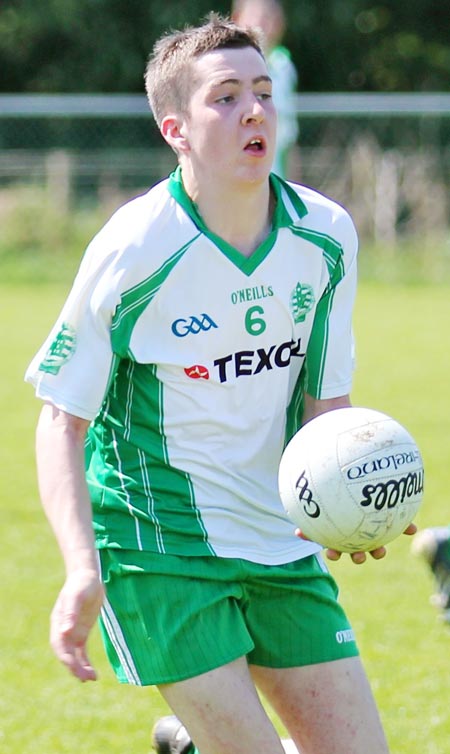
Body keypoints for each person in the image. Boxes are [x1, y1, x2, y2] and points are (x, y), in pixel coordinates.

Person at [26, 14, 415, 754]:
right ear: (175, 128)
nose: (255, 111)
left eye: (263, 93)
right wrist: (81, 570)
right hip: (159, 546)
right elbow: (62, 419)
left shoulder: (325, 237)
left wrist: (346, 498)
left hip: (279, 542)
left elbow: (325, 401)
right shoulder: (135, 249)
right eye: (226, 97)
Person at [232, 0, 299, 178]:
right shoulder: (226, 68)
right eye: (258, 18)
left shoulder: (283, 66)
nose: (264, 26)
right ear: (237, 19)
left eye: (271, 19)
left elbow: (289, 138)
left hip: (273, 180)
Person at [411, 526, 450, 623]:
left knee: (442, 574)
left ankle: (444, 601)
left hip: (427, 537)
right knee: (445, 574)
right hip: (435, 543)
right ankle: (445, 603)